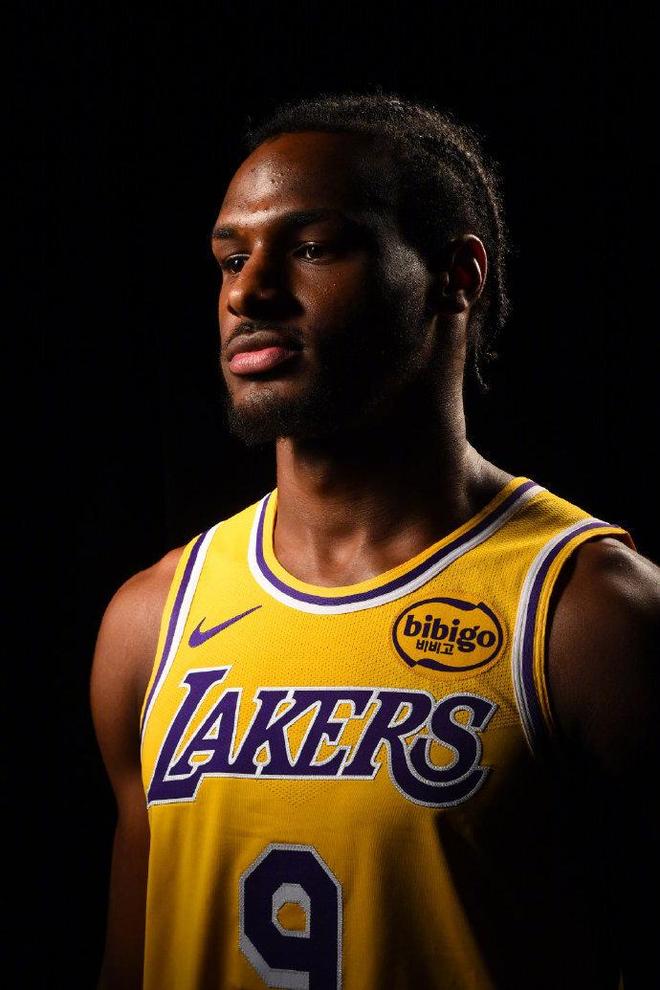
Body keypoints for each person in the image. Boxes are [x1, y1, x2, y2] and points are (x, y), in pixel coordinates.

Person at [91, 90, 659, 989]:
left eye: (314, 248)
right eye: (231, 258)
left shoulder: (590, 615)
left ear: (456, 275)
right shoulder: (151, 620)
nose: (247, 291)